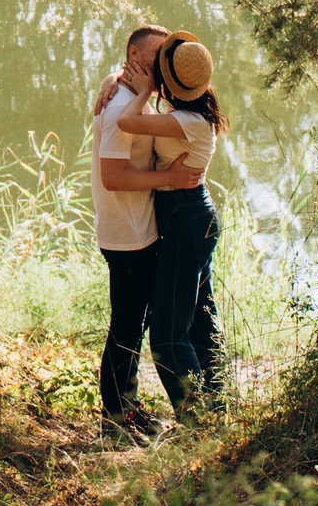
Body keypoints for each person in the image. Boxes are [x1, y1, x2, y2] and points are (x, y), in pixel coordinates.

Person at [90, 23, 203, 440]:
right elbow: (113, 177)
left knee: (133, 324)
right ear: (135, 59)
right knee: (127, 326)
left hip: (138, 227)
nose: (166, 65)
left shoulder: (133, 97)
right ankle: (118, 420)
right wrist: (169, 178)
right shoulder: (121, 105)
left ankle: (127, 411)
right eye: (158, 57)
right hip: (128, 232)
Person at [116, 31, 227, 418]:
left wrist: (143, 89)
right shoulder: (190, 116)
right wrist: (113, 82)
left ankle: (198, 421)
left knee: (166, 337)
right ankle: (219, 405)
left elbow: (129, 121)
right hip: (192, 217)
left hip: (185, 220)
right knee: (199, 319)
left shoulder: (185, 122)